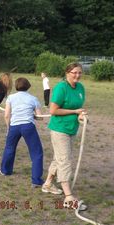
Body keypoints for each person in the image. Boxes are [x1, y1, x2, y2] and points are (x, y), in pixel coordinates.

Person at [41, 62, 87, 211]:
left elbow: (77, 107)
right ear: (67, 73)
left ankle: (48, 184)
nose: (77, 75)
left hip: (72, 128)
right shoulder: (61, 87)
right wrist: (74, 112)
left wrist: (80, 114)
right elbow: (54, 110)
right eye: (74, 72)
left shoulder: (80, 88)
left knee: (59, 157)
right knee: (65, 160)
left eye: (79, 72)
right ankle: (68, 197)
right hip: (59, 129)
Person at [0, 78, 44, 187]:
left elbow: (6, 115)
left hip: (14, 126)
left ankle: (5, 170)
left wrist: (8, 127)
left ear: (16, 86)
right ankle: (36, 180)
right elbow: (40, 117)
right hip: (28, 126)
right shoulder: (33, 99)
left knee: (9, 148)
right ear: (28, 86)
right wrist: (33, 116)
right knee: (36, 152)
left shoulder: (11, 97)